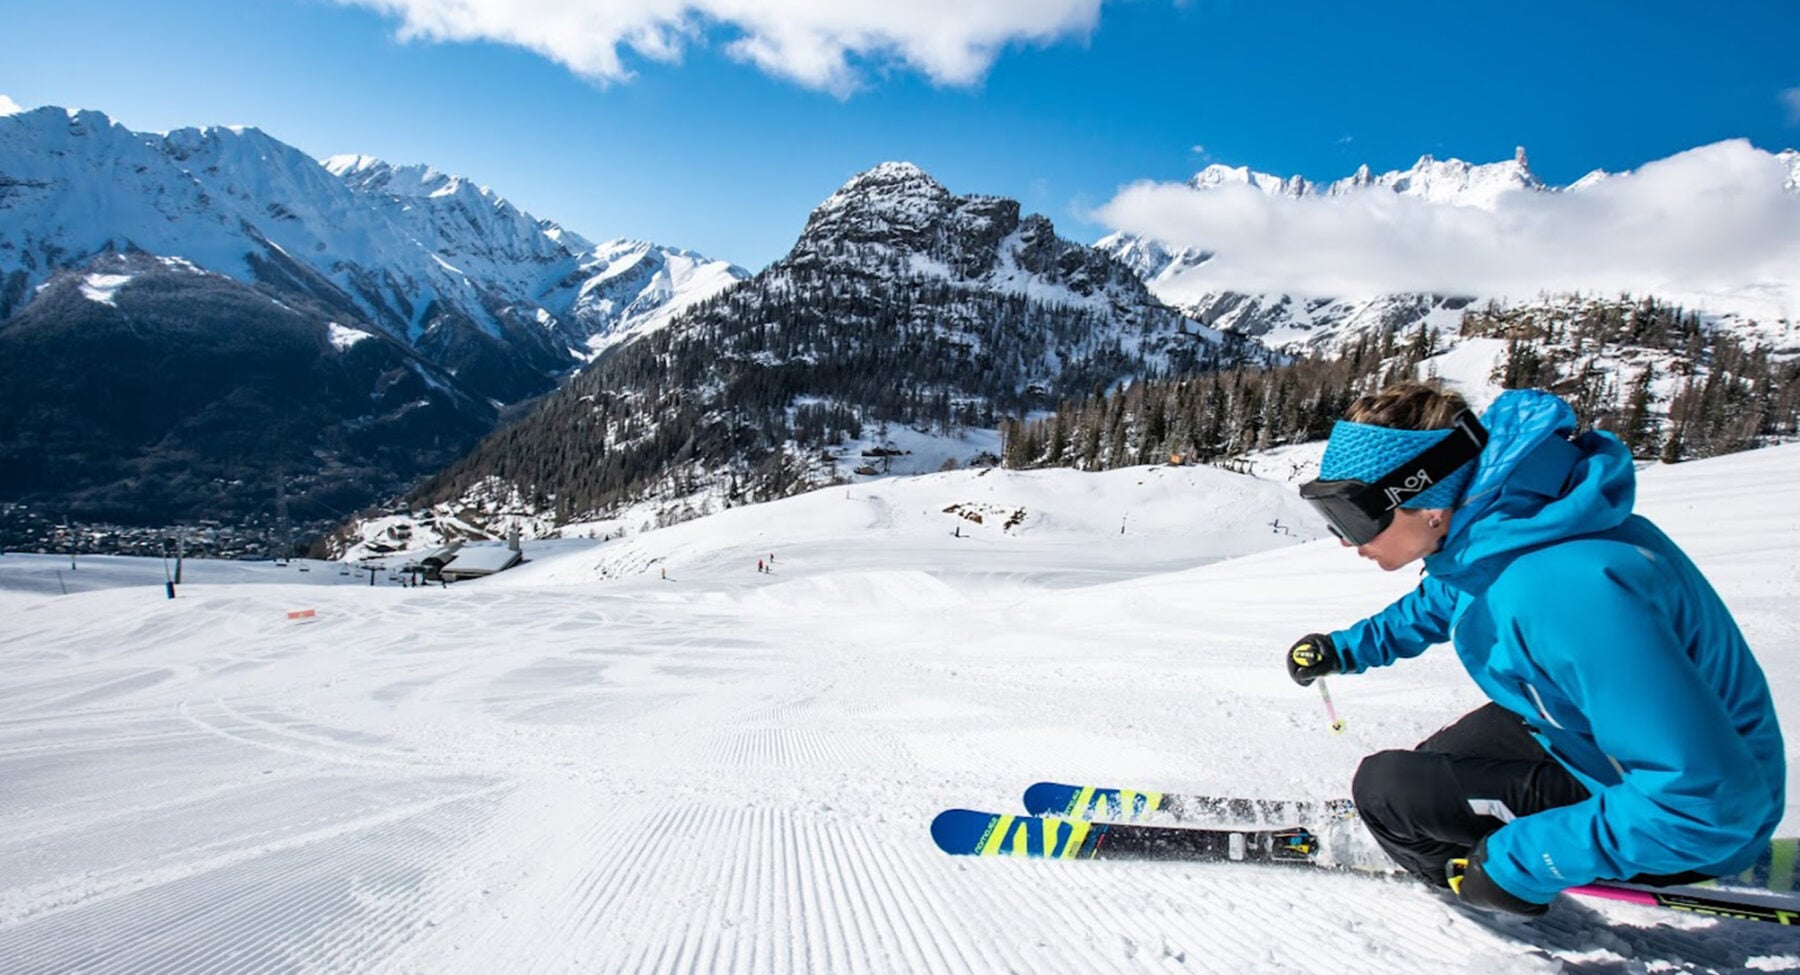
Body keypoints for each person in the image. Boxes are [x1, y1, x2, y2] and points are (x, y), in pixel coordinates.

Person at [1287, 380, 1784, 916]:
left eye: (1352, 516)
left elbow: (1703, 801)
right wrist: (1345, 649)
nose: (1346, 540)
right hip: (1593, 747)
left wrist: (1522, 862)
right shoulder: (1510, 529)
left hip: (1696, 826)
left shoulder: (1565, 591)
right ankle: (1460, 834)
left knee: (1387, 792)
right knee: (1429, 769)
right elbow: (1447, 598)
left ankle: (1467, 882)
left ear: (1425, 499)